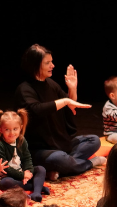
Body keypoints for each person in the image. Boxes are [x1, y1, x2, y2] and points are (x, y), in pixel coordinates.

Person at [15, 44, 104, 181]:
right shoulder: (24, 89)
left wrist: (72, 89)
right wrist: (65, 101)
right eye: (47, 63)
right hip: (40, 149)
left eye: (51, 61)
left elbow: (69, 103)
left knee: (94, 140)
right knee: (59, 158)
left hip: (60, 144)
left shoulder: (51, 84)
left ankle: (61, 169)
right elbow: (36, 109)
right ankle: (88, 163)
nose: (53, 65)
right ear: (35, 65)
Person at [0, 109, 48, 202]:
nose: (12, 133)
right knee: (6, 183)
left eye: (15, 129)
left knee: (41, 169)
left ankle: (36, 192)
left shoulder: (21, 140)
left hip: (20, 173)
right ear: (0, 129)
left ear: (21, 128)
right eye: (7, 130)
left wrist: (28, 172)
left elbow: (27, 158)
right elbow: (5, 169)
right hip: (5, 176)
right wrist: (22, 176)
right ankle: (38, 187)